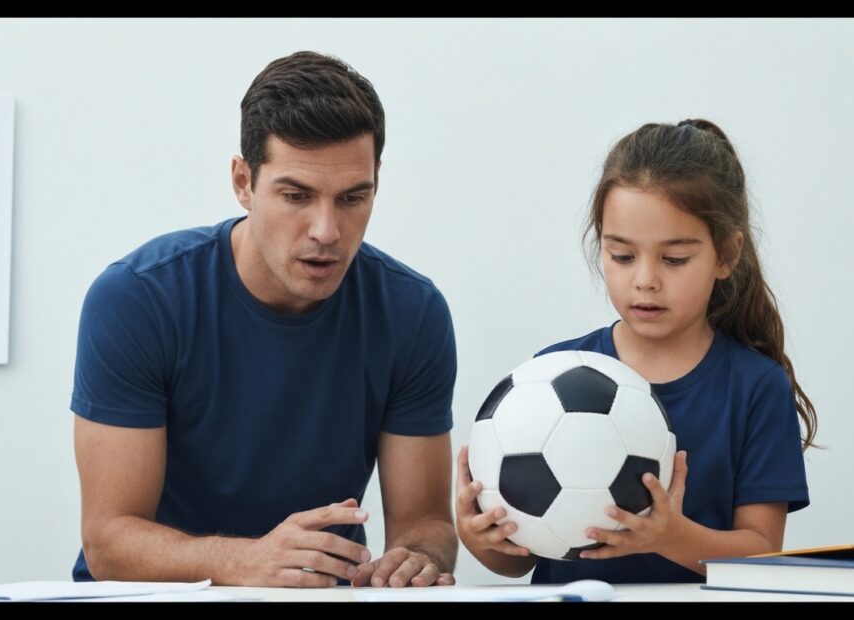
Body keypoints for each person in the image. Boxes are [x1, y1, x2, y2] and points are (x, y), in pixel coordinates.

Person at [71, 51, 458, 588]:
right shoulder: (138, 299)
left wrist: (416, 558)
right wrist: (245, 562)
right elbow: (109, 541)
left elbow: (425, 524)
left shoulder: (413, 314)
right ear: (243, 181)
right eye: (296, 195)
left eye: (353, 197)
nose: (327, 230)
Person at [456, 119, 816, 584]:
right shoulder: (550, 374)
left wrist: (670, 535)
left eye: (674, 259)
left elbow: (763, 552)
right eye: (622, 256)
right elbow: (520, 558)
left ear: (726, 255)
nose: (645, 279)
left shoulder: (756, 386)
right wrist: (479, 537)